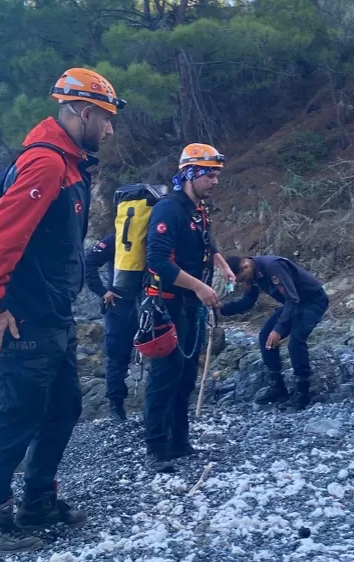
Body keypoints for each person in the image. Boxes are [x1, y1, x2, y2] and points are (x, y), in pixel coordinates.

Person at [0, 68, 122, 555]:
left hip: (55, 313)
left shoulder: (72, 166)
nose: (110, 129)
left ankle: (38, 499)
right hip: (25, 315)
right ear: (84, 113)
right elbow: (0, 234)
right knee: (17, 413)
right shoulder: (47, 164)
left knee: (64, 407)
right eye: (106, 119)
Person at [144, 143, 235, 473]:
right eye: (209, 175)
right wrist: (199, 287)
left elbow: (206, 243)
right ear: (190, 174)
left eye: (216, 175)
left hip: (192, 304)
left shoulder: (198, 210)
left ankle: (179, 441)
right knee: (164, 376)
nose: (215, 182)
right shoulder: (169, 209)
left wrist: (222, 264)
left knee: (185, 375)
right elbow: (156, 260)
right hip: (169, 303)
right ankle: (155, 447)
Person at [220, 255, 330, 410]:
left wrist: (278, 329)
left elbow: (292, 299)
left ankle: (303, 392)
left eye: (242, 278)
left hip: (312, 301)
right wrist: (222, 308)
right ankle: (278, 386)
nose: (243, 282)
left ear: (245, 266)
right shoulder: (251, 274)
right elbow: (248, 301)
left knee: (296, 341)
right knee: (265, 336)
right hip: (293, 304)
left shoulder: (273, 267)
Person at [84, 232, 137, 422]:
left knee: (116, 357)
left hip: (122, 304)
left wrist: (103, 291)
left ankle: (117, 408)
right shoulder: (119, 238)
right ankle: (117, 407)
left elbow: (89, 261)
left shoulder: (118, 237)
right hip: (134, 303)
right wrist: (102, 291)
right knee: (118, 357)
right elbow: (89, 262)